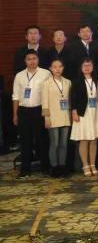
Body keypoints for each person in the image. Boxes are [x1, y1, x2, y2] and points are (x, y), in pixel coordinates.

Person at [12, 50, 51, 178]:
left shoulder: (46, 73)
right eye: (29, 59)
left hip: (39, 110)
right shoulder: (19, 75)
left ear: (38, 60)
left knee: (42, 141)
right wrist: (15, 114)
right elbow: (15, 96)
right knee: (25, 141)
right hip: (23, 111)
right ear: (25, 61)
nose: (32, 61)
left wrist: (48, 114)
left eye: (34, 58)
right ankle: (25, 170)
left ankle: (45, 167)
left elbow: (50, 95)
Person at [70, 58, 98, 177]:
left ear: (93, 67)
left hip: (96, 112)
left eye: (89, 65)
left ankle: (93, 164)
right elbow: (73, 97)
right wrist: (74, 111)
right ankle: (85, 165)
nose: (87, 67)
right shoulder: (76, 81)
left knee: (94, 140)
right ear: (81, 67)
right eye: (85, 65)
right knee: (84, 140)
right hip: (83, 113)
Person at [42, 58, 72, 177]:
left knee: (63, 143)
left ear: (63, 68)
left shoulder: (68, 82)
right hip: (52, 117)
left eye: (60, 66)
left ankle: (62, 166)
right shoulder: (46, 83)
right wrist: (46, 117)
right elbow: (44, 102)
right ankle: (54, 167)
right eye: (54, 67)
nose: (57, 69)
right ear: (50, 69)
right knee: (54, 143)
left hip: (65, 116)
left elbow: (70, 100)